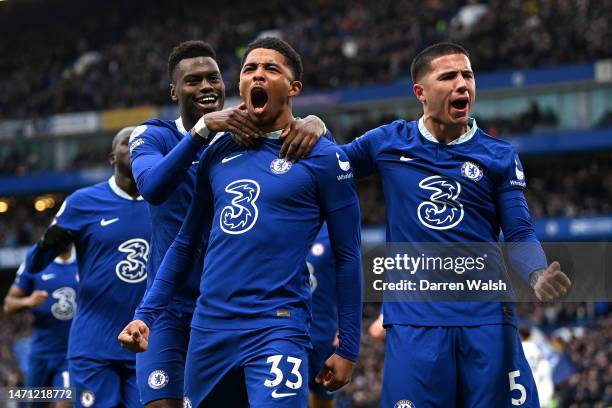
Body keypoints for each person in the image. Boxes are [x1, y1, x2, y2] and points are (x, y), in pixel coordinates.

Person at [119, 37, 362, 408]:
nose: (257, 75)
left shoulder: (324, 156)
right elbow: (184, 241)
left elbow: (348, 255)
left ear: (294, 88)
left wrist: (348, 346)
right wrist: (144, 315)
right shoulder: (212, 148)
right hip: (208, 326)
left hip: (276, 325)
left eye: (271, 69)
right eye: (249, 69)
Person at [338, 42, 572, 407]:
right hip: (415, 321)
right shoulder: (387, 142)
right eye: (448, 76)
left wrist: (537, 274)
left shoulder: (499, 155)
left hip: (488, 318)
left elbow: (519, 232)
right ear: (421, 92)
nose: (462, 84)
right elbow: (328, 166)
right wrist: (311, 124)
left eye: (468, 75)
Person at [25, 127, 151, 408]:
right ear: (111, 157)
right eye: (125, 142)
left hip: (146, 343)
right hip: (94, 345)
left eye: (141, 141)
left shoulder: (166, 201)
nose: (133, 145)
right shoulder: (82, 202)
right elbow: (35, 264)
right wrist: (50, 242)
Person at [3, 245, 77, 408]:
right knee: (35, 404)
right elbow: (8, 305)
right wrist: (27, 301)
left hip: (70, 354)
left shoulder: (87, 257)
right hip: (41, 352)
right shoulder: (36, 259)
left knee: (64, 403)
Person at [306, 224, 339, 408]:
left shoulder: (334, 227)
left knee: (323, 400)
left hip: (324, 335)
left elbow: (351, 280)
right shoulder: (283, 217)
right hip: (287, 331)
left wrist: (346, 329)